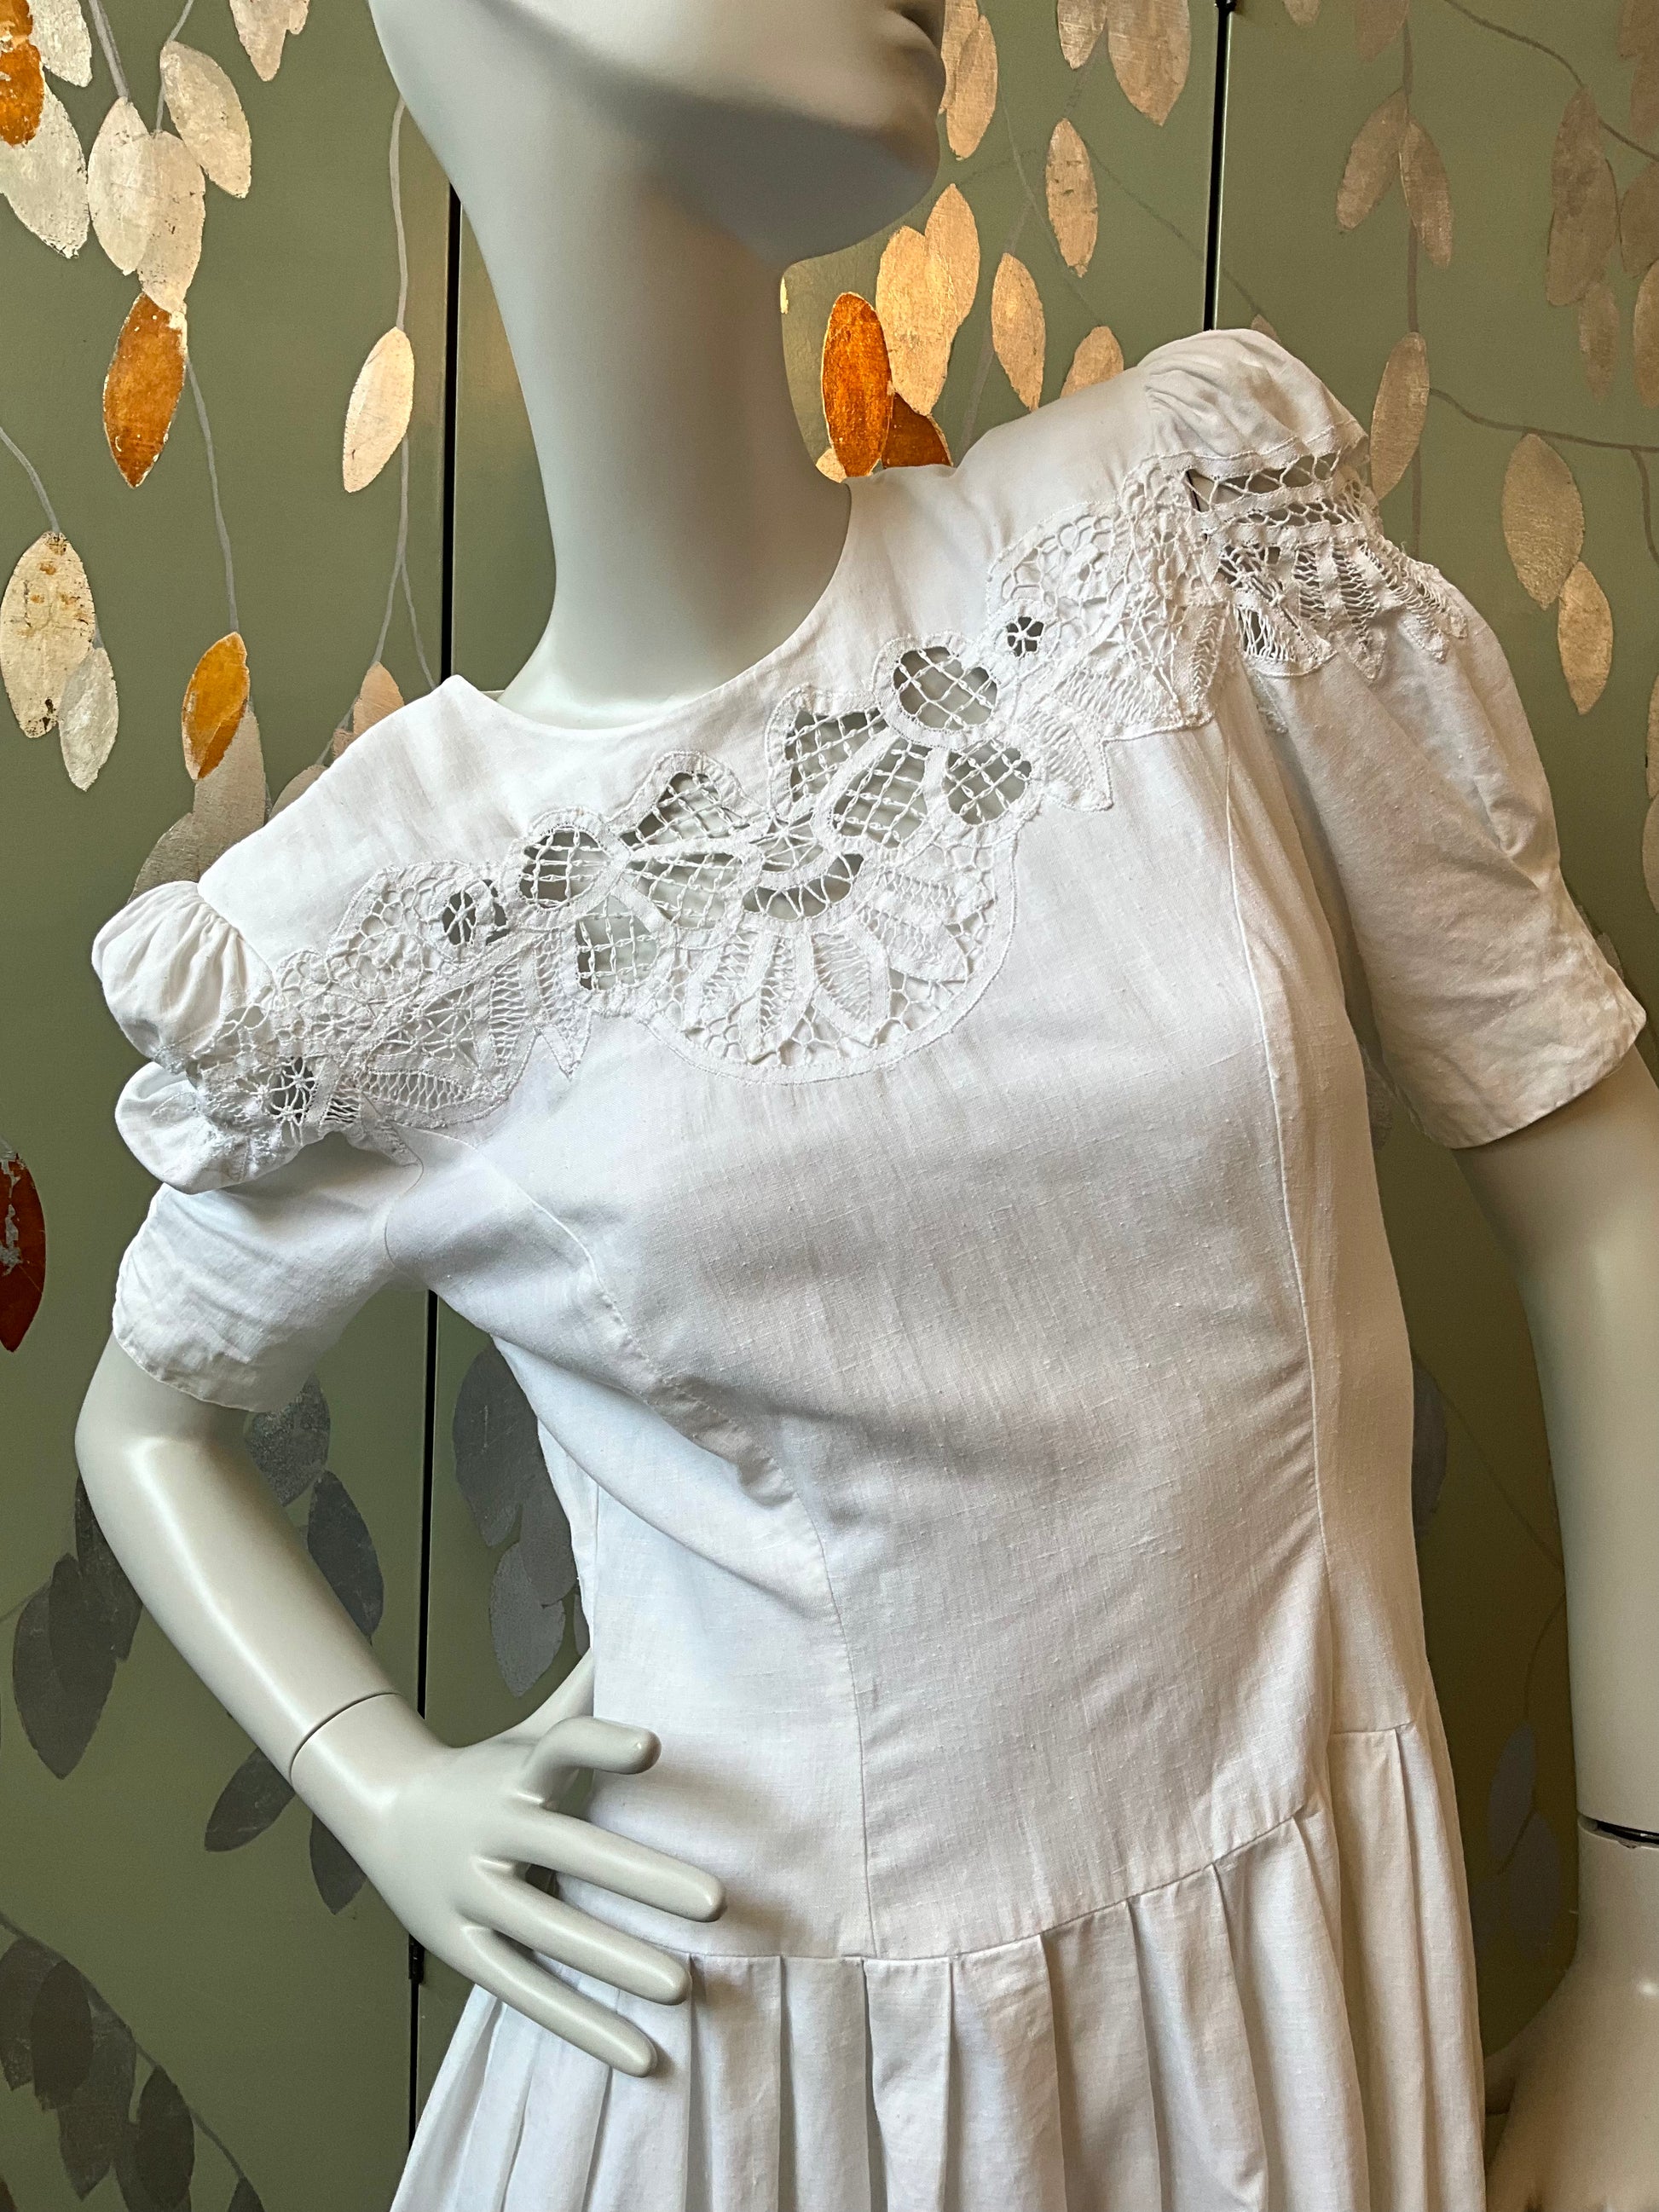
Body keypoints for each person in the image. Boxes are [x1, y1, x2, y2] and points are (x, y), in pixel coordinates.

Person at [77, 3, 1659, 2205]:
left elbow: (1599, 1192)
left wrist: (1640, 1953)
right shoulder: (392, 915)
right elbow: (143, 1420)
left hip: (1281, 1991)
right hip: (738, 2079)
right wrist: (390, 1791)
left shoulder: (1167, 552)